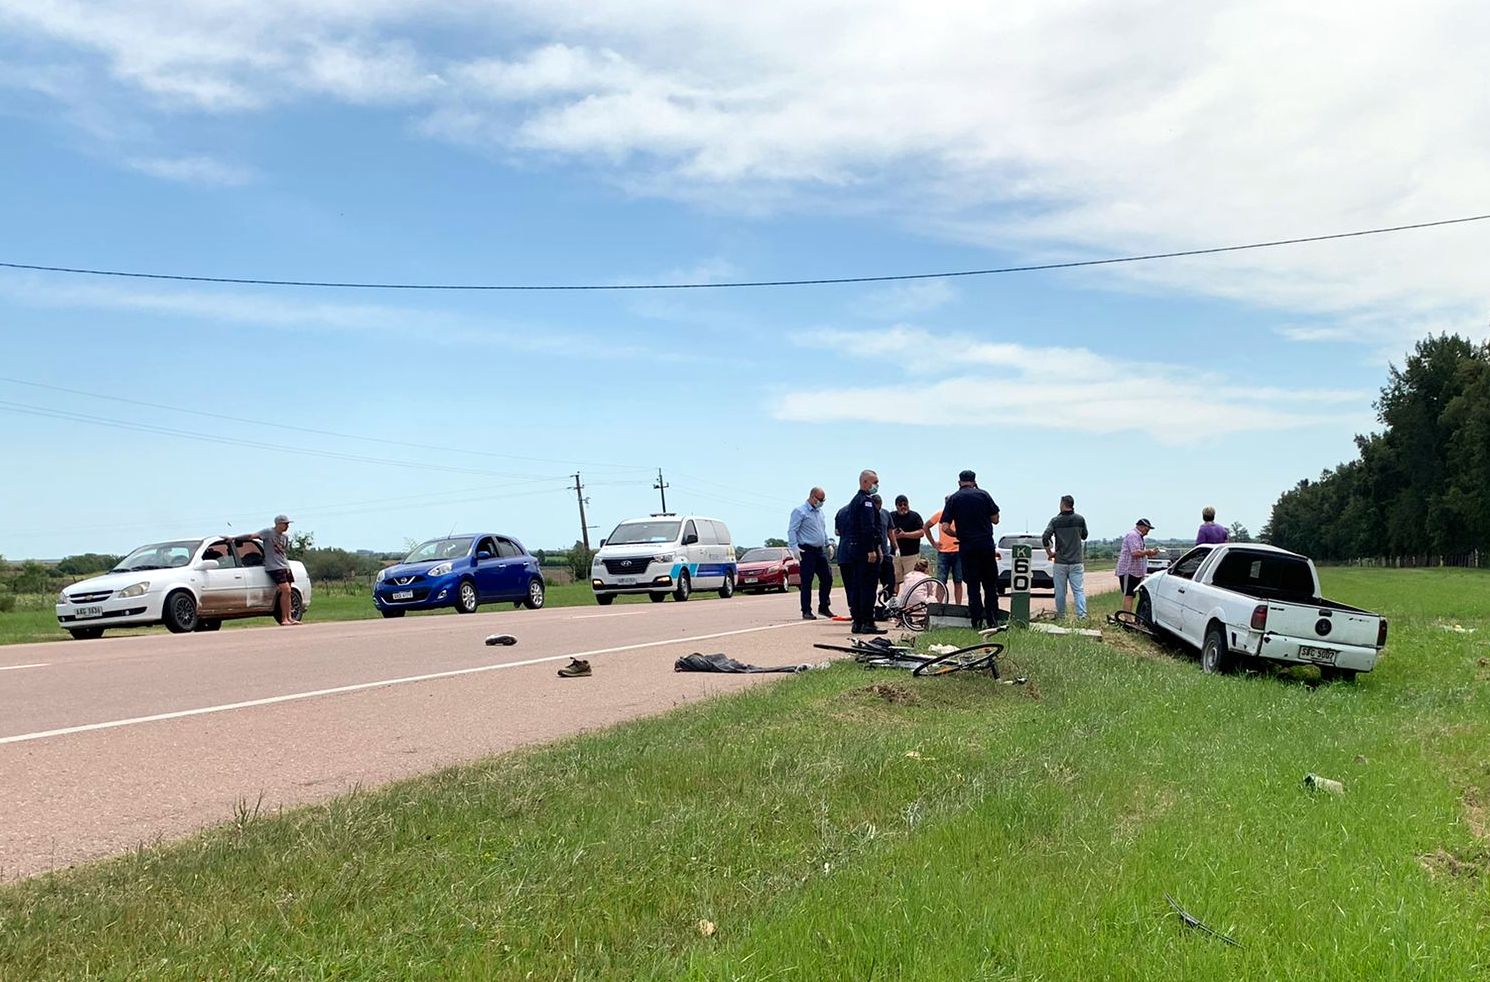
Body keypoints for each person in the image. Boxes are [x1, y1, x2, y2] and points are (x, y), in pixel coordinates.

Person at [941, 470, 1001, 630]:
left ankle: (976, 622)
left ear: (959, 482)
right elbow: (995, 519)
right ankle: (992, 620)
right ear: (974, 481)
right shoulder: (984, 495)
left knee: (973, 585)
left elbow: (945, 527)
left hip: (967, 546)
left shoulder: (953, 499)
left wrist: (959, 533)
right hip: (986, 545)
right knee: (989, 584)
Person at [845, 470, 887, 634]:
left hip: (855, 549)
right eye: (874, 482)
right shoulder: (866, 502)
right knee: (868, 587)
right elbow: (868, 527)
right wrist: (872, 549)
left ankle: (857, 621)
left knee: (857, 586)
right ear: (865, 482)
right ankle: (868, 622)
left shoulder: (855, 501)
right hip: (865, 550)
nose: (877, 485)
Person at [787, 487, 835, 620]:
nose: (821, 502)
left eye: (823, 500)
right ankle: (806, 610)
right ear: (813, 497)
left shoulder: (820, 512)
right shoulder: (800, 511)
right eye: (820, 499)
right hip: (806, 550)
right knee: (807, 581)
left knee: (827, 577)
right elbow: (792, 530)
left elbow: (822, 530)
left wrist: (828, 543)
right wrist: (794, 547)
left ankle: (824, 607)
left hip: (819, 551)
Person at [1041, 494, 1090, 619]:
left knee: (1060, 591)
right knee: (1078, 590)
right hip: (1076, 561)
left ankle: (1061, 616)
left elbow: (1045, 537)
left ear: (1063, 504)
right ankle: (1082, 616)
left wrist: (1049, 553)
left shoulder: (1055, 521)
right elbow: (1084, 535)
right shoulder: (1080, 519)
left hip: (1060, 561)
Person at [255, 514, 299, 625]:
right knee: (286, 590)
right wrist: (234, 538)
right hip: (274, 567)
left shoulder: (285, 537)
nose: (287, 526)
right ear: (278, 524)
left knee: (289, 591)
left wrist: (287, 566)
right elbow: (252, 536)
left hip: (284, 565)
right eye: (285, 524)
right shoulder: (268, 532)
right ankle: (283, 618)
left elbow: (284, 552)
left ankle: (289, 617)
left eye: (288, 524)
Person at [924, 496, 963, 605]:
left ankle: (958, 606)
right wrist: (933, 543)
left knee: (958, 581)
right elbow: (926, 526)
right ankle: (938, 605)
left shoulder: (960, 515)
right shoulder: (940, 514)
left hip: (958, 551)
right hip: (943, 552)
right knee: (941, 581)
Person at [1117, 518, 1161, 613]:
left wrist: (1149, 553)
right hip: (1128, 570)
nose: (1147, 532)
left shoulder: (1139, 537)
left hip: (1136, 571)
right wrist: (1148, 552)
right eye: (1147, 529)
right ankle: (1127, 618)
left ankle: (1130, 616)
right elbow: (1135, 552)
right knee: (1128, 595)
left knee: (1132, 595)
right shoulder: (1133, 535)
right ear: (1141, 527)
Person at [889, 495, 926, 589]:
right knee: (894, 581)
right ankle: (893, 601)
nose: (903, 507)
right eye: (900, 505)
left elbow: (921, 532)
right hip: (895, 554)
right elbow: (886, 531)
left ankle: (910, 601)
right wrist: (894, 535)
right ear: (896, 506)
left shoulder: (915, 516)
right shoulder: (891, 516)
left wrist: (904, 535)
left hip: (911, 555)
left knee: (911, 581)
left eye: (905, 504)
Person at [871, 494, 895, 599]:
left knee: (890, 580)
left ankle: (887, 601)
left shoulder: (885, 513)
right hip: (872, 553)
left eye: (880, 507)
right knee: (871, 582)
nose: (878, 509)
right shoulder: (867, 515)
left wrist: (895, 546)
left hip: (885, 553)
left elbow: (890, 531)